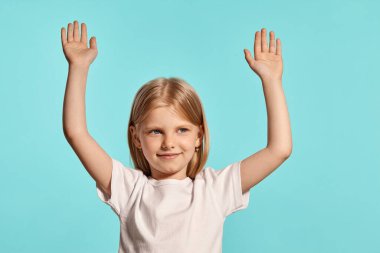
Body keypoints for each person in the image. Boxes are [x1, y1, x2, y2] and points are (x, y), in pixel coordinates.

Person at [61, 20, 292, 253]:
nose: (169, 143)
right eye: (155, 131)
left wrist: (271, 81)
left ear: (199, 136)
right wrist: (78, 67)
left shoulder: (214, 190)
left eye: (182, 130)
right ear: (136, 137)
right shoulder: (129, 189)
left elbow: (279, 150)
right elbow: (76, 133)